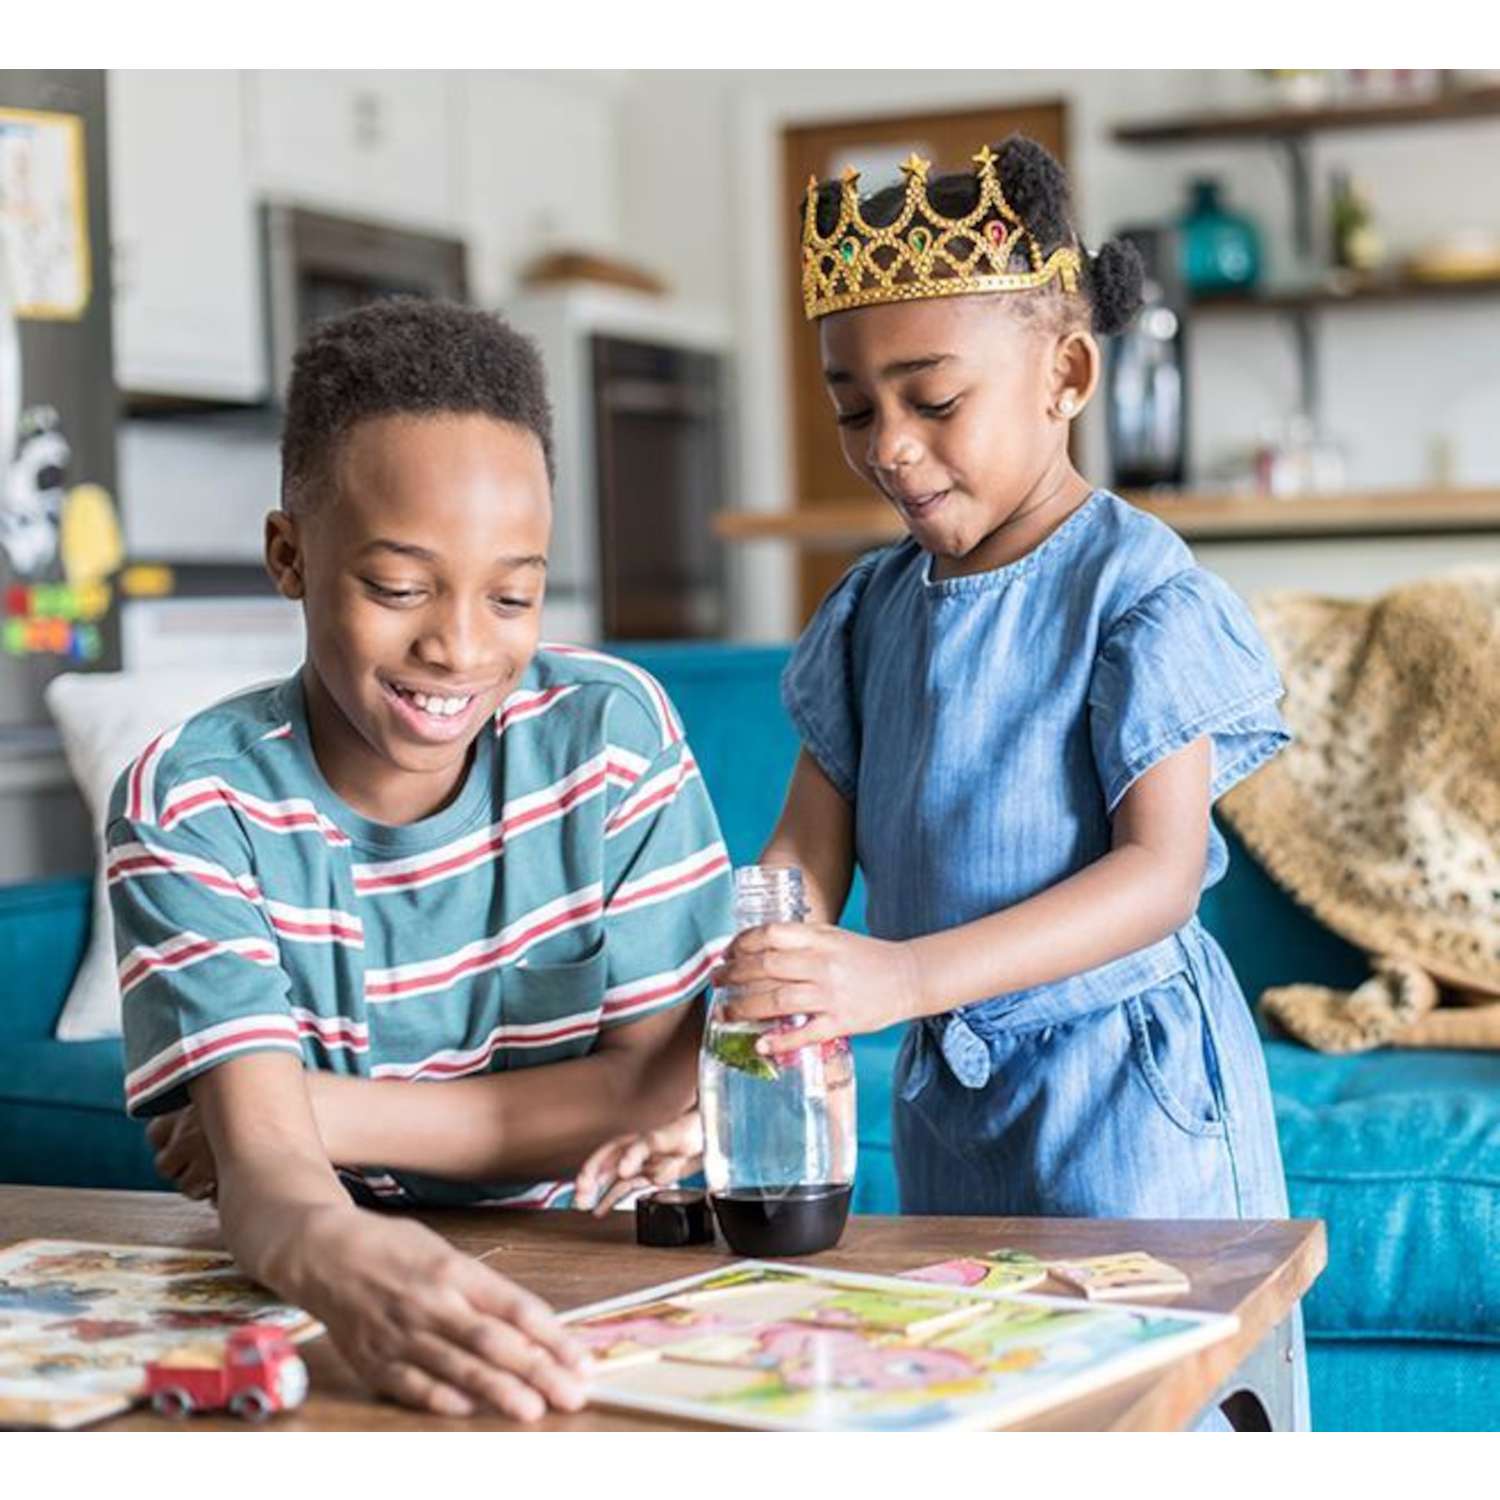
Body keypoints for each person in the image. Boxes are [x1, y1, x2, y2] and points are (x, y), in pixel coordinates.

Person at [582, 137, 1308, 1429]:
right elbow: (796, 869)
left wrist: (901, 979)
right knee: (984, 1388)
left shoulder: (1135, 590)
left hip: (1128, 1095)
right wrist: (723, 1069)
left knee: (1151, 1407)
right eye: (855, 408)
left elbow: (1157, 880)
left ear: (1067, 374)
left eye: (933, 400)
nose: (891, 448)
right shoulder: (869, 614)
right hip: (954, 1098)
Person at [109, 299, 734, 1420]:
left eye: (514, 595)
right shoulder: (192, 801)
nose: (457, 645)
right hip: (329, 1285)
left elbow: (662, 1079)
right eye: (398, 588)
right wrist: (303, 1204)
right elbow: (267, 1191)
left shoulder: (611, 736)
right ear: (289, 557)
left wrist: (299, 1111)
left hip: (591, 1264)